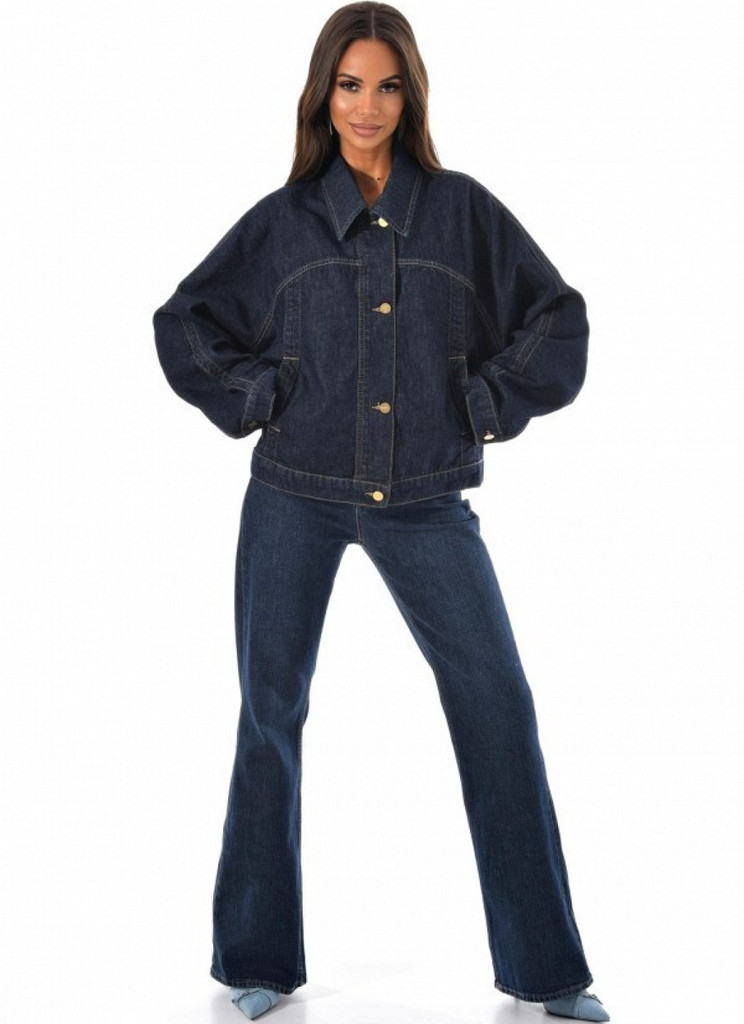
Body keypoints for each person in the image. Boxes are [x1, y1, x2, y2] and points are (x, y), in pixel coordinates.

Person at [153, 4, 610, 1021]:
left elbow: (559, 318)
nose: (368, 107)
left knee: (497, 704)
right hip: (294, 493)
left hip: (425, 500)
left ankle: (548, 970)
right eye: (350, 85)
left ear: (413, 95)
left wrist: (481, 404)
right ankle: (257, 960)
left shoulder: (462, 212)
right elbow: (184, 323)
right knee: (271, 711)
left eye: (388, 85)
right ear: (324, 94)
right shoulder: (282, 222)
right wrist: (259, 396)